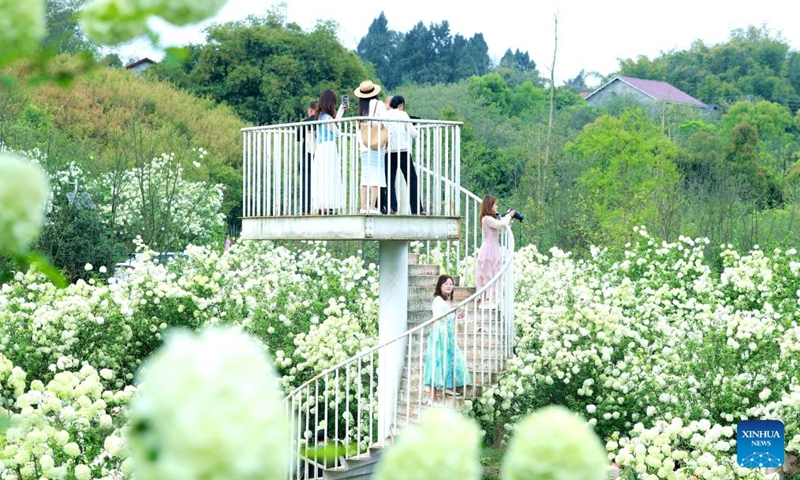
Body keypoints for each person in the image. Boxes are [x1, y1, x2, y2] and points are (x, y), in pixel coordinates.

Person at [423, 274, 471, 404]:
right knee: (436, 363)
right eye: (446, 283)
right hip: (439, 334)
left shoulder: (448, 302)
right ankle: (432, 397)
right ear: (440, 286)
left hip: (448, 335)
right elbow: (439, 317)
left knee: (451, 361)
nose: (449, 286)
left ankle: (447, 386)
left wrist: (456, 314)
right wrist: (452, 311)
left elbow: (449, 318)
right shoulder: (437, 300)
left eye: (451, 283)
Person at [382, 95, 424, 215]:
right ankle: (417, 208)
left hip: (389, 151)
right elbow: (413, 133)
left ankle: (392, 206)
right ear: (401, 105)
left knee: (389, 180)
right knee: (411, 179)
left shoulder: (386, 115)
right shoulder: (403, 115)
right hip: (403, 151)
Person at [475, 195, 515, 309]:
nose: (496, 206)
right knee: (487, 274)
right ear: (489, 206)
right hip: (488, 249)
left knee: (493, 273)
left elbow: (501, 228)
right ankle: (486, 299)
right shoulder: (487, 219)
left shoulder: (490, 219)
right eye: (495, 204)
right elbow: (501, 224)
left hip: (493, 247)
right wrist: (508, 216)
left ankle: (490, 299)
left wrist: (509, 220)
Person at [311, 89, 346, 215]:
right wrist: (339, 119)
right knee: (330, 176)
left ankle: (322, 205)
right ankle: (327, 206)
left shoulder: (320, 116)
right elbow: (337, 133)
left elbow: (334, 126)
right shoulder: (328, 118)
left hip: (321, 147)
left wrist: (341, 111)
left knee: (322, 176)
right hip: (329, 147)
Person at [354, 80, 387, 214]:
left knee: (365, 176)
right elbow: (385, 120)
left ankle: (363, 207)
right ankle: (373, 207)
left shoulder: (362, 107)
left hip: (364, 144)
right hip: (376, 143)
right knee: (376, 175)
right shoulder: (378, 104)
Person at [296, 100, 318, 215]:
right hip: (320, 156)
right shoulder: (322, 121)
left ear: (310, 110)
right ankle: (320, 207)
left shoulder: (305, 122)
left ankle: (305, 209)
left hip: (307, 157)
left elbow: (298, 137)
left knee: (306, 183)